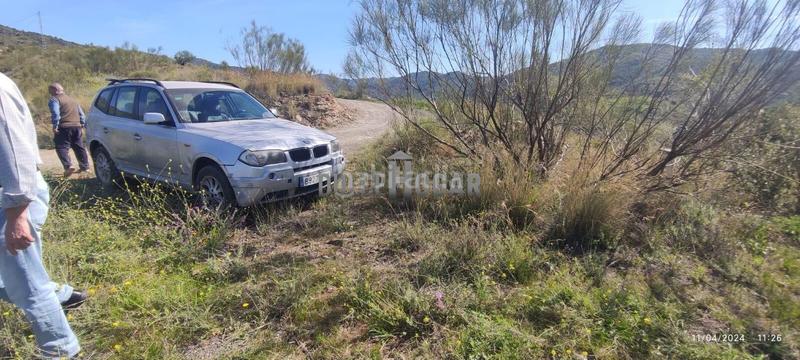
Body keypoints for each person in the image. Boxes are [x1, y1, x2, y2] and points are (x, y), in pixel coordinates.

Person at [0, 72, 83, 358]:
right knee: (17, 278)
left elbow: (12, 150)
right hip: (12, 199)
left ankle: (59, 349)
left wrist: (16, 213)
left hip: (10, 201)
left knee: (26, 282)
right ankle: (63, 296)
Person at [48, 83, 90, 177]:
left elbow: (56, 113)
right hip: (77, 126)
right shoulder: (73, 100)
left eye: (50, 90)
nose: (49, 93)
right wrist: (82, 124)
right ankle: (85, 167)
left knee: (61, 147)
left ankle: (68, 166)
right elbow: (82, 114)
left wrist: (55, 125)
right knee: (79, 147)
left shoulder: (54, 99)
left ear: (54, 90)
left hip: (64, 126)